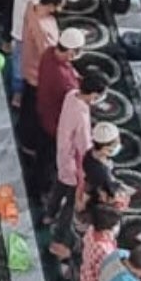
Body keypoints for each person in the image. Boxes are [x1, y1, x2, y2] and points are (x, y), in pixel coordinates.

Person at [49, 71, 107, 259]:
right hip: (74, 164)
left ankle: (49, 213)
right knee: (71, 203)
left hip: (62, 155)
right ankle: (59, 236)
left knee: (59, 186)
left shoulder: (71, 94)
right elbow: (85, 148)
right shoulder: (82, 116)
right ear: (93, 95)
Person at [9, 0, 62, 97]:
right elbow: (39, 7)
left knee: (20, 54)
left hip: (22, 16)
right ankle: (17, 91)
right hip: (25, 24)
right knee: (21, 57)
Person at [33, 28, 85, 187]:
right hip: (55, 123)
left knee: (42, 151)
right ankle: (42, 186)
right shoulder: (64, 80)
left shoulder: (49, 53)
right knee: (49, 158)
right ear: (71, 52)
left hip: (43, 111)